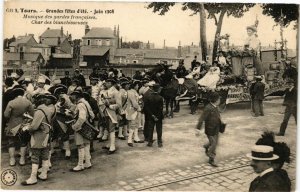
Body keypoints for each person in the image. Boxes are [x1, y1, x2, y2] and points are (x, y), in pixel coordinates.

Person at [21, 93, 56, 185]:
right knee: (45, 154)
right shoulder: (48, 109)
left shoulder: (39, 111)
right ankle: (44, 174)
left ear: (37, 101)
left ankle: (33, 178)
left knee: (35, 155)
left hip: (38, 136)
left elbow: (34, 127)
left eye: (33, 100)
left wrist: (27, 127)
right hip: (46, 135)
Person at [4, 87, 34, 166]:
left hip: (12, 124)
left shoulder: (11, 102)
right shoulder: (28, 102)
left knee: (11, 142)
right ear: (22, 94)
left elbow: (6, 115)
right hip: (24, 124)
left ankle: (12, 160)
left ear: (15, 94)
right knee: (23, 142)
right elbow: (32, 114)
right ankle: (22, 159)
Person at [196, 92, 223, 167]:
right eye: (219, 99)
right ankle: (211, 159)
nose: (220, 100)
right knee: (214, 144)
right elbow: (201, 119)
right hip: (210, 129)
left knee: (215, 143)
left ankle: (206, 146)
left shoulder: (216, 107)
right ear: (216, 100)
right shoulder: (208, 108)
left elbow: (217, 116)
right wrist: (198, 129)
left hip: (216, 128)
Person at [69, 90, 95, 172]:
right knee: (86, 144)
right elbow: (92, 115)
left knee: (80, 145)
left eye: (72, 95)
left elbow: (81, 118)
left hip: (81, 127)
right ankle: (87, 162)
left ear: (76, 96)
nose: (71, 97)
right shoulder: (85, 102)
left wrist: (75, 126)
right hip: (87, 126)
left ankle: (80, 165)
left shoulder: (80, 104)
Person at [98, 78, 120, 154]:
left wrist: (110, 106)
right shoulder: (107, 90)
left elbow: (119, 104)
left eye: (107, 83)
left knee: (111, 129)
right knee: (107, 128)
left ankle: (112, 146)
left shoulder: (116, 92)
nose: (106, 84)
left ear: (111, 83)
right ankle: (109, 144)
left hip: (112, 112)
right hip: (105, 111)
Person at [125, 80, 143, 147]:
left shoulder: (133, 92)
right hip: (132, 110)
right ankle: (129, 140)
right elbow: (134, 103)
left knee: (136, 124)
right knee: (132, 125)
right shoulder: (131, 92)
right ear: (135, 85)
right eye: (137, 85)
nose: (138, 87)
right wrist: (139, 108)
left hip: (134, 110)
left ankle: (136, 138)